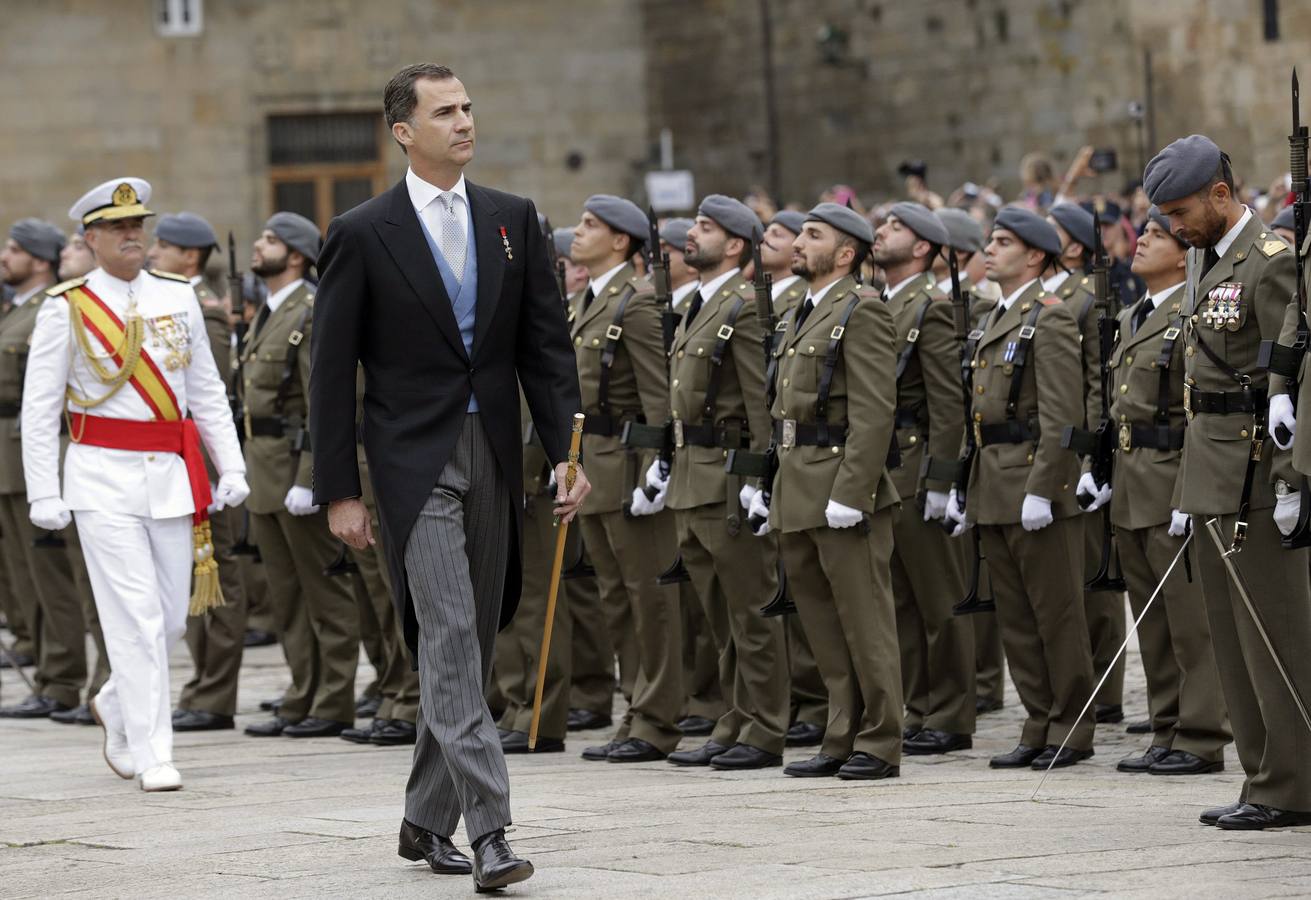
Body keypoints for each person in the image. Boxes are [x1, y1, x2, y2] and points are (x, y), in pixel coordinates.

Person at [308, 64, 587, 891]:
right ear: (404, 131)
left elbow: (545, 349)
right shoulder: (362, 231)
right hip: (409, 466)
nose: (464, 122)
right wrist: (340, 490)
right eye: (445, 112)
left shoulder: (513, 220)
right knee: (452, 635)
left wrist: (568, 451)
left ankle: (422, 818)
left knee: (471, 632)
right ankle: (491, 830)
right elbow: (330, 374)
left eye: (467, 107)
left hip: (497, 455)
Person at [21, 177, 248, 791]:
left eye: (137, 225)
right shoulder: (65, 307)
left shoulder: (177, 296)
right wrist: (43, 490)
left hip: (173, 479)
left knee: (172, 619)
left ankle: (117, 702)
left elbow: (206, 392)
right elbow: (39, 410)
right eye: (117, 227)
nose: (131, 235)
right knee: (137, 619)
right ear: (90, 238)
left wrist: (231, 465)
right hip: (100, 480)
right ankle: (153, 752)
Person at [1147, 134, 1311, 830]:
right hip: (1210, 473)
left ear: (1220, 193)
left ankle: (1293, 784)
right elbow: (1197, 388)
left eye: (1180, 211)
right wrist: (1186, 490)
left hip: (1254, 474)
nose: (1171, 228)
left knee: (1276, 639)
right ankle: (1260, 775)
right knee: (1231, 641)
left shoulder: (1268, 262)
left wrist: (1290, 481)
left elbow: (1286, 380)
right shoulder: (1202, 262)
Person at [944, 207, 1096, 770]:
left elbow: (1062, 412)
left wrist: (1047, 486)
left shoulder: (1049, 317)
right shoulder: (995, 319)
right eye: (990, 240)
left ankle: (1072, 726)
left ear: (1035, 255)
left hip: (1033, 482)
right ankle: (1038, 720)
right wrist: (965, 485)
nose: (989, 249)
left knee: (1055, 612)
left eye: (1003, 242)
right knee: (1015, 615)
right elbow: (976, 415)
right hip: (993, 482)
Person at [757, 203, 904, 781]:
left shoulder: (861, 311)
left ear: (845, 254)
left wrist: (854, 490)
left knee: (865, 621)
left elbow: (874, 411)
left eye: (812, 236)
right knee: (821, 622)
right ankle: (842, 732)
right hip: (798, 486)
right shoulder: (803, 311)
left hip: (841, 485)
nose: (797, 243)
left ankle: (882, 738)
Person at [657, 194, 789, 771]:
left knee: (751, 611)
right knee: (718, 615)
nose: (693, 234)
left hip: (729, 479)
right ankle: (735, 716)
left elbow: (762, 403)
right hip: (693, 478)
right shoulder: (700, 305)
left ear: (735, 245)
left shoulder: (743, 307)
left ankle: (765, 726)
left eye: (706, 228)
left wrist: (761, 478)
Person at [1107, 207, 1230, 775]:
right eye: (1144, 234)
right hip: (1133, 480)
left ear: (1184, 253)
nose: (1143, 243)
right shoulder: (1135, 314)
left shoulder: (1194, 309)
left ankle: (1202, 735)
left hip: (1171, 476)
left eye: (1158, 235)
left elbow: (1195, 411)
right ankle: (1166, 727)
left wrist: (1188, 490)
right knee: (1149, 621)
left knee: (1189, 618)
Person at [566, 195, 684, 765]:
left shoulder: (634, 304)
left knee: (648, 598)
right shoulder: (587, 301)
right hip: (595, 465)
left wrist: (659, 466)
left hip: (630, 467)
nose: (579, 232)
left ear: (621, 242)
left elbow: (659, 396)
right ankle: (636, 707)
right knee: (617, 597)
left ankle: (658, 718)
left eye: (591, 226)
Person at [240, 213, 361, 740]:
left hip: (294, 468)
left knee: (324, 594)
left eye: (269, 239)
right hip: (264, 471)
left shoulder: (309, 310)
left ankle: (334, 700)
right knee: (286, 595)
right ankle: (301, 694)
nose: (257, 244)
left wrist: (313, 477)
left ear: (294, 255)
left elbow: (323, 400)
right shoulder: (270, 312)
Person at [872, 202, 977, 756]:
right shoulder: (880, 303)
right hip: (886, 465)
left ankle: (953, 711)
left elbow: (947, 403)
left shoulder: (929, 307)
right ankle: (918, 705)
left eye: (893, 227)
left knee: (938, 599)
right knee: (902, 601)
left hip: (915, 464)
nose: (879, 231)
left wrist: (942, 479)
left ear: (920, 248)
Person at [146, 211, 247, 732]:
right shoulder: (167, 298)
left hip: (202, 452)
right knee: (193, 570)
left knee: (217, 567)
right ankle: (202, 686)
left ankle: (216, 692)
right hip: (180, 453)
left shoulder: (202, 310)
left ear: (189, 256)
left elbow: (209, 388)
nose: (150, 253)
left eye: (161, 246)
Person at [0, 219, 98, 721]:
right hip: (12, 460)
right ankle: (53, 678)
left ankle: (77, 681)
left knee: (65, 578)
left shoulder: (54, 308)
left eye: (14, 249)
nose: (4, 256)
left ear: (39, 259)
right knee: (28, 579)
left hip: (47, 454)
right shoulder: (18, 311)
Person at [1045, 201, 1126, 725]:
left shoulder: (1084, 299)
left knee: (1095, 574)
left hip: (1080, 448)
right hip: (1053, 445)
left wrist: (1094, 456)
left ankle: (1107, 688)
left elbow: (1099, 383)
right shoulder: (1049, 299)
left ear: (1073, 246)